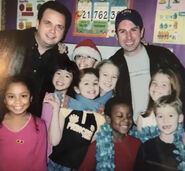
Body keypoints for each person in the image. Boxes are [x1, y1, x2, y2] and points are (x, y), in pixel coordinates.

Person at [109, 8, 185, 123]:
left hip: (166, 127)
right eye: (122, 31)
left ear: (142, 32)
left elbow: (183, 88)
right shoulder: (113, 64)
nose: (129, 37)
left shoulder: (162, 56)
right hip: (130, 131)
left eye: (133, 30)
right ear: (116, 36)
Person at [0, 1, 72, 116]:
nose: (52, 31)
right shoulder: (6, 40)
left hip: (34, 127)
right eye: (48, 23)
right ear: (38, 24)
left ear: (64, 33)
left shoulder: (62, 62)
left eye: (59, 27)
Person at [44, 69, 105, 170]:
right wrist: (56, 110)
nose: (92, 87)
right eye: (86, 83)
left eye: (95, 83)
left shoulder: (100, 117)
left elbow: (88, 148)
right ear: (77, 89)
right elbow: (54, 141)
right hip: (53, 164)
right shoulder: (67, 106)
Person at [79, 97, 141, 171]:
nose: (126, 120)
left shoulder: (137, 143)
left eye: (129, 116)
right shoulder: (97, 146)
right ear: (108, 119)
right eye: (119, 116)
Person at [0, 75, 47, 171]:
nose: (18, 101)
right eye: (11, 96)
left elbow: (40, 162)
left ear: (31, 98)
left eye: (23, 96)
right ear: (4, 99)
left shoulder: (39, 125)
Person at [134, 95, 184, 171]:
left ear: (180, 118)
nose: (165, 120)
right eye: (160, 116)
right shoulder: (146, 148)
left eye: (170, 115)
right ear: (156, 119)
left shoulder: (183, 148)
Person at [41, 59, 79, 158]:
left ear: (72, 81)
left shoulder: (71, 104)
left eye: (67, 76)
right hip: (39, 146)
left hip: (56, 155)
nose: (61, 79)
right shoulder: (44, 95)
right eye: (58, 73)